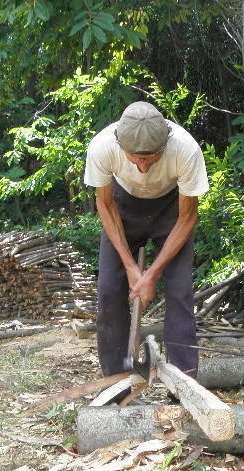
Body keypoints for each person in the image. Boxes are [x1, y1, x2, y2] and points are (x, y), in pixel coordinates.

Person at [83, 101, 209, 386]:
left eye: (151, 158)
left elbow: (188, 217)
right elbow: (105, 205)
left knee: (179, 290)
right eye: (135, 159)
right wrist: (130, 267)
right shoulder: (102, 146)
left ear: (164, 144)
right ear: (120, 143)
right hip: (122, 210)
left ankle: (183, 380)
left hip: (171, 212)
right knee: (109, 290)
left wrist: (151, 275)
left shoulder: (185, 149)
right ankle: (117, 377)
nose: (142, 167)